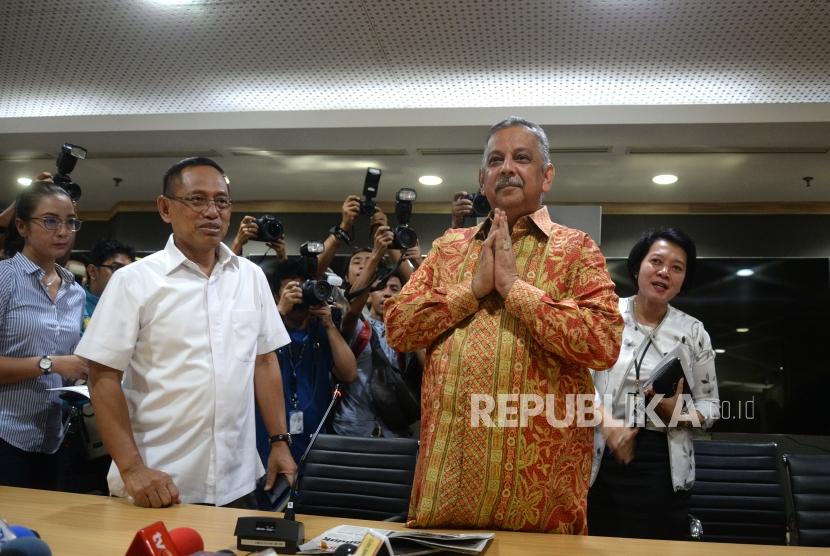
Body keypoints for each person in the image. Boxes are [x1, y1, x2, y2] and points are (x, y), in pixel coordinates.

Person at [384, 117, 623, 533]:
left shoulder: (576, 249)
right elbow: (399, 329)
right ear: (482, 178)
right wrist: (471, 291)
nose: (507, 167)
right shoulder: (448, 250)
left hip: (542, 510)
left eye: (522, 158)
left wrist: (515, 290)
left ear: (546, 176)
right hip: (446, 505)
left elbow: (603, 343)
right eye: (496, 160)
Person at [76, 157, 297, 508]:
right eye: (196, 199)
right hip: (158, 481)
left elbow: (265, 361)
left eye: (221, 201)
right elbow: (102, 376)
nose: (212, 211)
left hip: (238, 480)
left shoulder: (250, 277)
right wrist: (132, 469)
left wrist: (279, 441)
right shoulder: (134, 281)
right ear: (165, 208)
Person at [588, 228, 720, 540]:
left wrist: (679, 414)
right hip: (601, 455)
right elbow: (578, 385)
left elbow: (711, 405)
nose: (664, 272)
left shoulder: (693, 331)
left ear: (684, 279)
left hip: (664, 462)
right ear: (638, 266)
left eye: (677, 267)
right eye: (656, 261)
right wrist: (608, 423)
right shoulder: (606, 317)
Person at [0, 181, 88, 489]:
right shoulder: (5, 279)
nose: (63, 231)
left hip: (53, 436)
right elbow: (56, 362)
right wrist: (50, 364)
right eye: (50, 221)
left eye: (70, 222)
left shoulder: (75, 292)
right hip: (6, 433)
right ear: (22, 226)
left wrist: (81, 378)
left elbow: (71, 362)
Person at [260, 259, 356, 466]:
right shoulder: (267, 328)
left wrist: (329, 325)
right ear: (277, 294)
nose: (301, 295)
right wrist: (279, 312)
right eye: (292, 288)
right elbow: (249, 360)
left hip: (315, 440)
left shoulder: (321, 330)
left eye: (305, 287)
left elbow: (349, 373)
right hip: (273, 438)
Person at [333, 269, 424, 438]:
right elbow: (352, 312)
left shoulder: (409, 334)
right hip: (353, 427)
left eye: (394, 289)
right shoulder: (359, 328)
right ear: (369, 296)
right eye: (381, 288)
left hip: (394, 430)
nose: (387, 293)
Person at [82, 238, 136, 331]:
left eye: (129, 271)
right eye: (117, 269)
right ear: (93, 271)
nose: (124, 277)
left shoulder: (134, 306)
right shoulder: (74, 303)